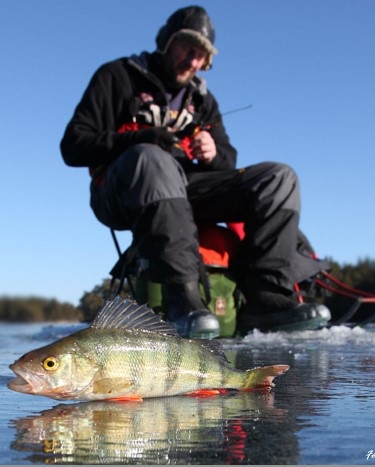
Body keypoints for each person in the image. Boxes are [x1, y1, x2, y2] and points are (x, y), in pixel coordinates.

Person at [60, 5, 331, 338]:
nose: (193, 61)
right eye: (188, 49)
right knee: (151, 158)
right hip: (122, 190)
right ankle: (183, 301)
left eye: (201, 56)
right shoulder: (117, 76)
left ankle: (267, 298)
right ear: (166, 42)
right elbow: (73, 145)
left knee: (279, 179)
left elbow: (228, 164)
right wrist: (141, 138)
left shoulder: (202, 100)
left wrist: (213, 153)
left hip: (187, 190)